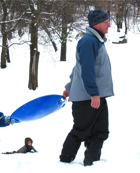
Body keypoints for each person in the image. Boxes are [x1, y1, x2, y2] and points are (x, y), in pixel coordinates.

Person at [59, 9, 114, 166]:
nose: (109, 25)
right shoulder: (88, 41)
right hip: (88, 97)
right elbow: (86, 70)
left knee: (100, 131)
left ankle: (92, 163)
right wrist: (93, 93)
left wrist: (69, 87)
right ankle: (63, 163)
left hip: (96, 95)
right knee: (81, 131)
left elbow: (78, 67)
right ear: (96, 23)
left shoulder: (95, 41)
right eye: (106, 22)